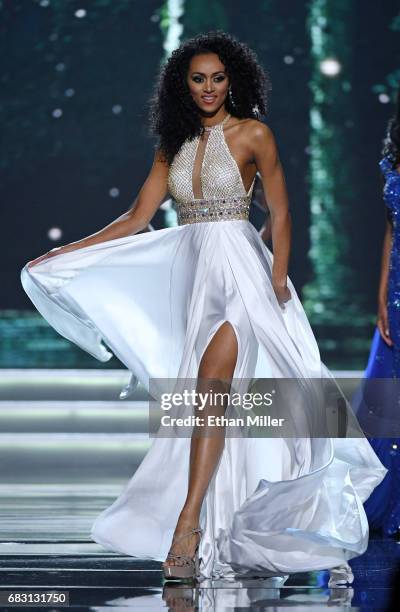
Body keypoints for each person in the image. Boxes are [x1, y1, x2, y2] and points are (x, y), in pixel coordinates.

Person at [21, 31, 386, 582]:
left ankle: (187, 525)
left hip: (244, 274)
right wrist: (66, 251)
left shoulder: (254, 134)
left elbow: (282, 213)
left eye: (218, 78)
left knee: (214, 388)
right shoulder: (174, 144)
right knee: (207, 402)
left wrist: (279, 279)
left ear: (232, 80)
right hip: (197, 281)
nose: (209, 87)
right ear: (182, 85)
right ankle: (213, 515)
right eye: (198, 78)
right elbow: (136, 218)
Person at [354, 91, 400, 537]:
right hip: (399, 289)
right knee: (385, 403)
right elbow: (391, 228)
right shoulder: (393, 157)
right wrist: (383, 292)